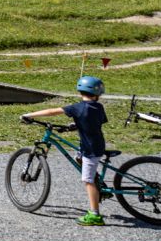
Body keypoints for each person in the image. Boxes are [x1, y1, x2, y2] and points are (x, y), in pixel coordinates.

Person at [22, 76, 108, 226]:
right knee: (78, 158)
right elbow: (95, 121)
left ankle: (95, 215)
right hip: (96, 144)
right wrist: (76, 124)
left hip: (90, 149)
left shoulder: (77, 107)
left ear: (80, 90)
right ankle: (98, 183)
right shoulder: (99, 107)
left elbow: (52, 111)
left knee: (87, 180)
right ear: (97, 94)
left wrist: (30, 115)